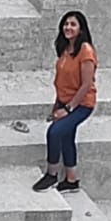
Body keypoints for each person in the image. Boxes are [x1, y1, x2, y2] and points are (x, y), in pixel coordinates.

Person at [33, 10, 97, 193]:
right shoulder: (65, 48)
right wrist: (56, 106)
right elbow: (62, 81)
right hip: (64, 101)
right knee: (67, 136)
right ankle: (71, 180)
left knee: (54, 133)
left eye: (73, 24)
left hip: (81, 104)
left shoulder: (86, 51)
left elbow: (86, 85)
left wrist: (67, 109)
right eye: (66, 24)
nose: (68, 27)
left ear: (81, 29)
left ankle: (51, 175)